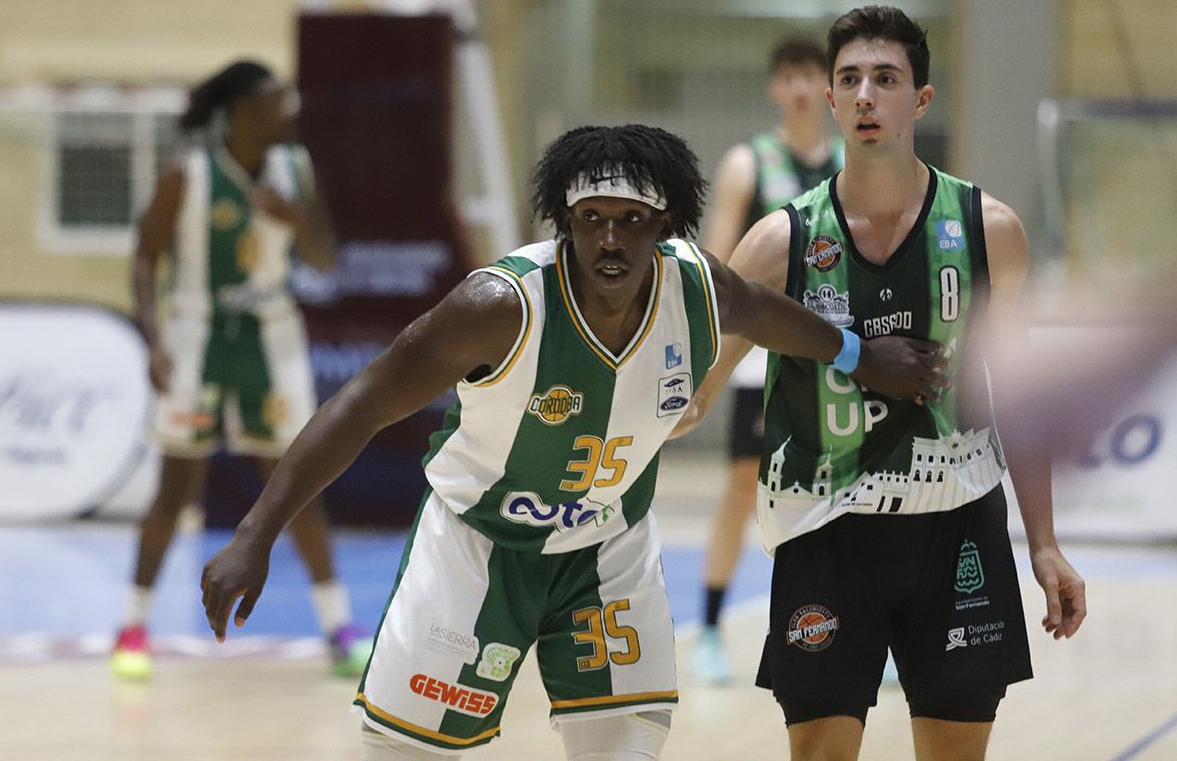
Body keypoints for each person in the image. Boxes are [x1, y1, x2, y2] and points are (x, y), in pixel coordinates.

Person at [198, 124, 947, 760]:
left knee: (626, 744)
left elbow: (765, 312)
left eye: (630, 219)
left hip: (605, 549)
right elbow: (362, 403)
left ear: (664, 225)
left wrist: (858, 355)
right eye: (592, 218)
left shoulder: (699, 288)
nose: (610, 238)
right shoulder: (498, 306)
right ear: (565, 219)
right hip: (478, 547)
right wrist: (257, 532)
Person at [675, 6, 1087, 760]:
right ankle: (706, 626)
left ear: (920, 100)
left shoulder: (989, 230)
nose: (865, 94)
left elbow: (1022, 399)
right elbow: (699, 384)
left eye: (886, 79)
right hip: (825, 530)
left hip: (958, 524)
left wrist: (1048, 543)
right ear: (831, 100)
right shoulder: (778, 242)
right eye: (850, 80)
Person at [111, 60, 368, 681]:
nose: (290, 113)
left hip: (271, 336)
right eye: (278, 103)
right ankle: (133, 626)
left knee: (297, 485)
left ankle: (340, 627)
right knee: (175, 490)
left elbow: (327, 259)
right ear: (242, 112)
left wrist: (296, 221)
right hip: (197, 334)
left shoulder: (296, 170)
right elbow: (145, 258)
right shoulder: (187, 173)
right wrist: (152, 338)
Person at [690, 37, 845, 685]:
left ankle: (863, 628)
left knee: (848, 489)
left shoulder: (850, 161)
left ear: (827, 88)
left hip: (835, 349)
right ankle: (710, 628)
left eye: (812, 75)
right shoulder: (748, 162)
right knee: (741, 484)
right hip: (761, 354)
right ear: (776, 88)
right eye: (790, 77)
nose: (802, 88)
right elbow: (718, 263)